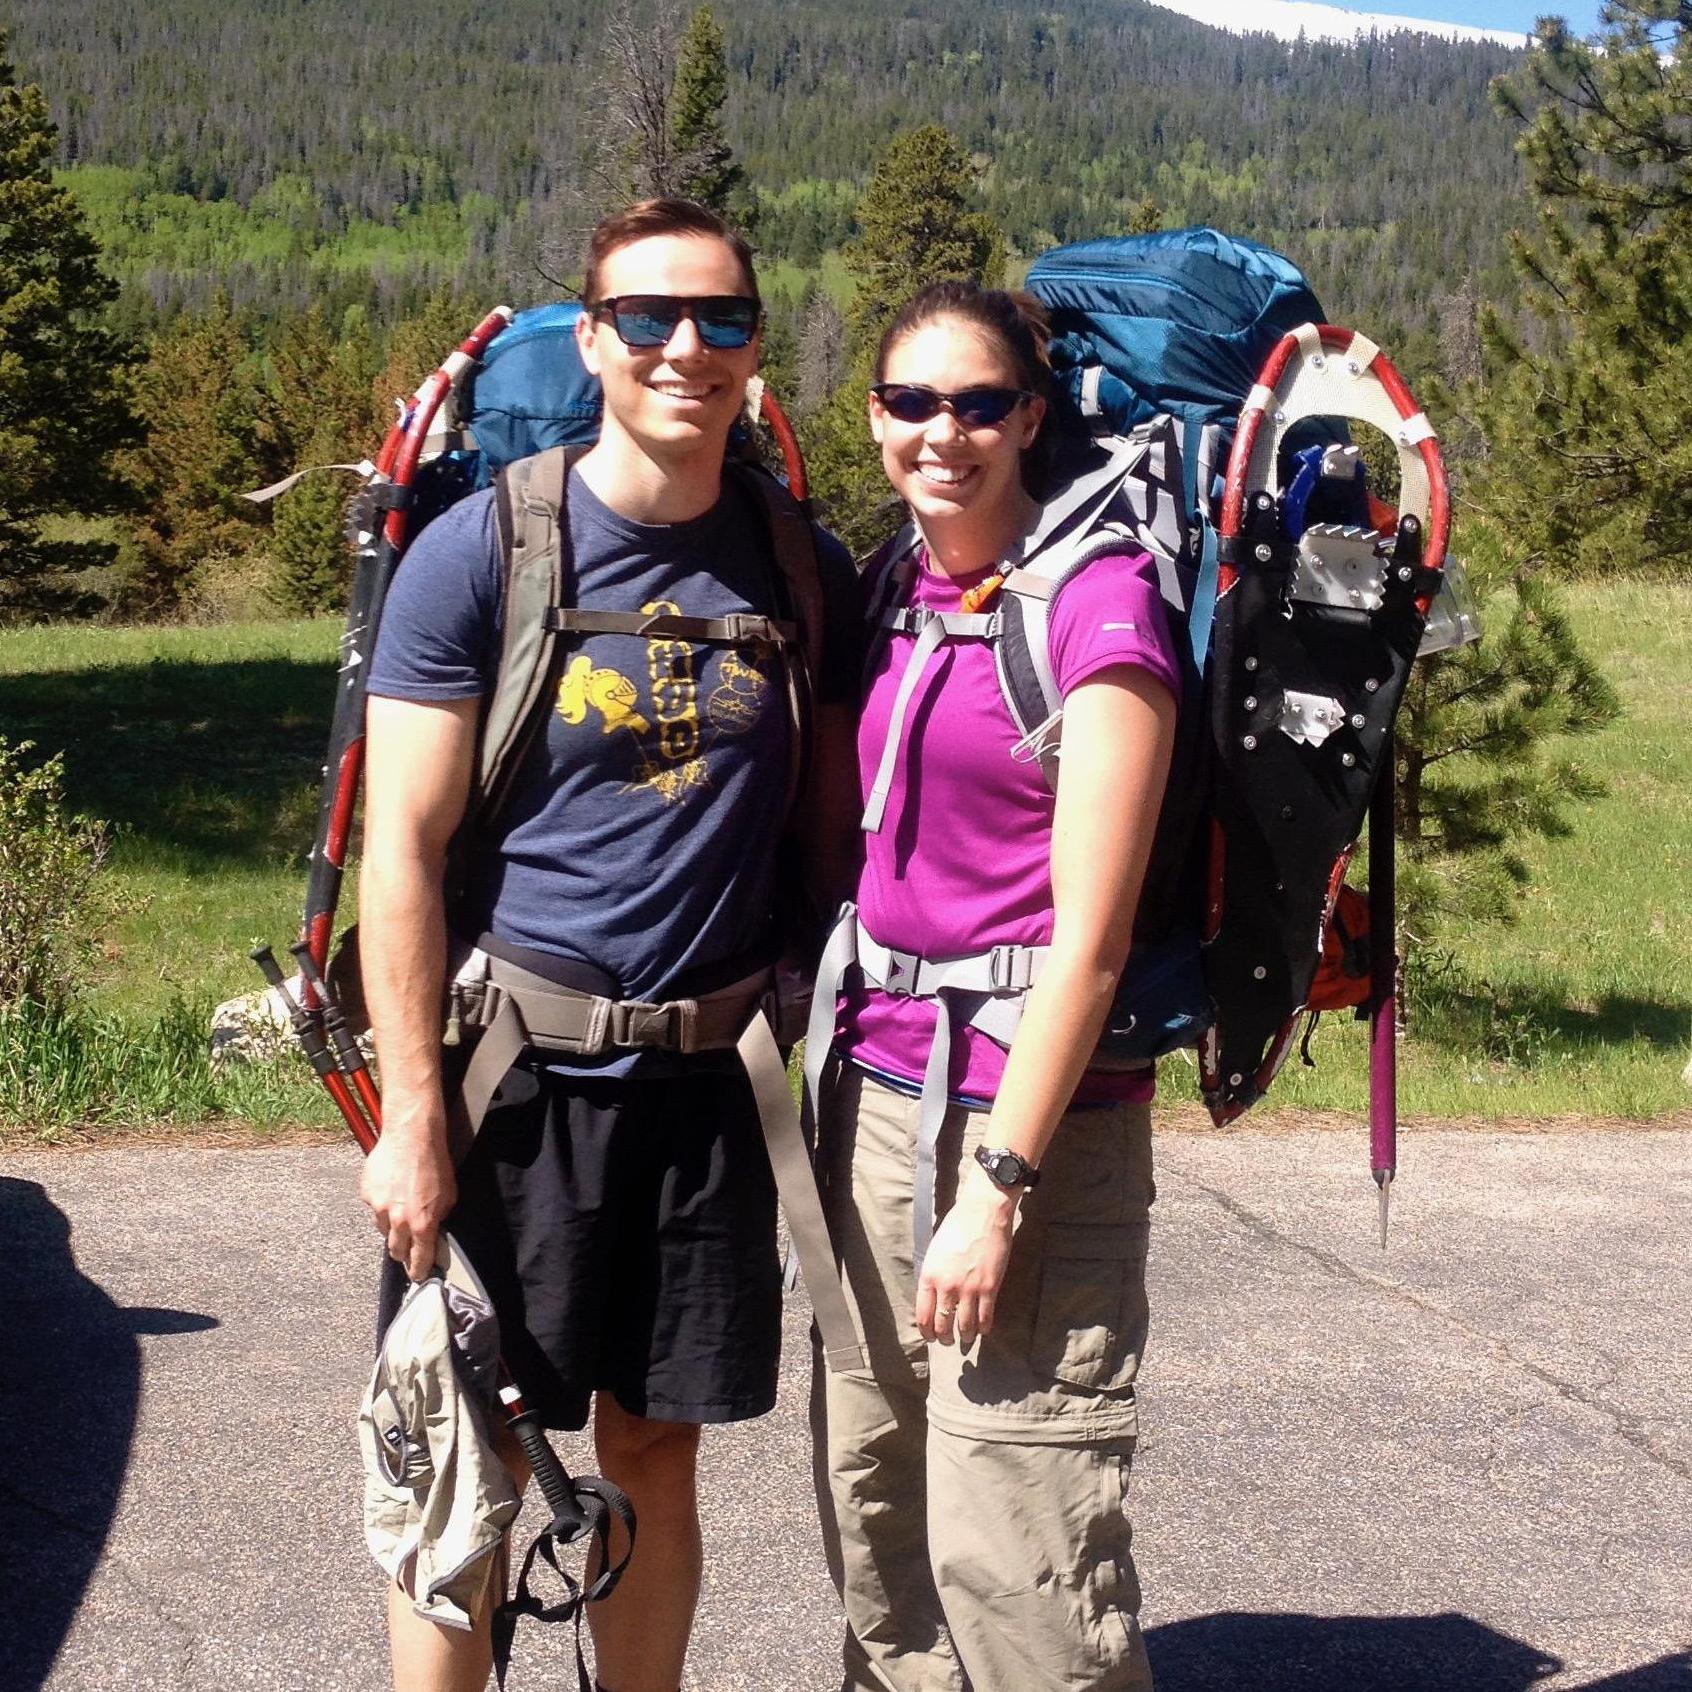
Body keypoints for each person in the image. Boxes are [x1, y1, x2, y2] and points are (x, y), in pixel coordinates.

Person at [357, 197, 858, 1692]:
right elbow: (407, 853)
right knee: (469, 1467)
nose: (683, 347)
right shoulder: (483, 550)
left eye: (718, 318)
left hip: (712, 1090)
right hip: (514, 1077)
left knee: (657, 1455)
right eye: (646, 316)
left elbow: (828, 837)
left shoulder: (794, 561)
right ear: (591, 339)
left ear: (757, 348)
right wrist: (412, 1118)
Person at [810, 280, 1180, 1691]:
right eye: (912, 403)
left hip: (1028, 1124)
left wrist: (1000, 1182)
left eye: (978, 405)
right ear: (875, 416)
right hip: (877, 1095)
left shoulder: (1101, 602)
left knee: (1019, 1550)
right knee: (876, 1517)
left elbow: (1088, 943)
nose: (944, 434)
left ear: (1030, 416)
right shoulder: (890, 587)